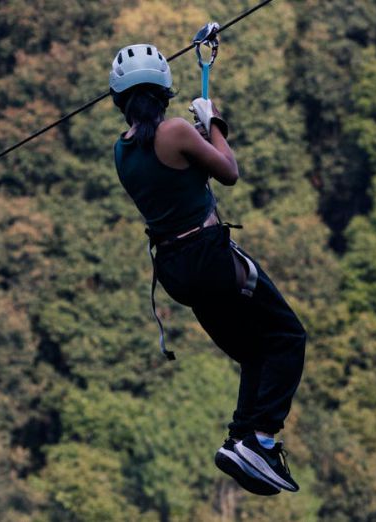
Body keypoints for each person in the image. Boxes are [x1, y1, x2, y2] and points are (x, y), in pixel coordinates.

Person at [109, 43, 307, 495]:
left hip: (177, 271)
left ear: (120, 103)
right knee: (289, 337)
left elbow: (173, 172)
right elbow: (229, 171)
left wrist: (199, 132)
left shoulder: (121, 153)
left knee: (255, 351)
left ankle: (241, 438)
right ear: (164, 94)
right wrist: (213, 122)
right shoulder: (177, 131)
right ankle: (260, 437)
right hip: (210, 257)